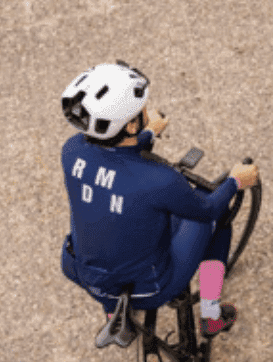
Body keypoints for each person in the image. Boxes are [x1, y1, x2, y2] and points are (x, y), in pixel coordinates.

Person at [59, 61, 259, 338]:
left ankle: (113, 314)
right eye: (140, 110)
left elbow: (111, 158)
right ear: (130, 125)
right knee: (216, 216)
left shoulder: (71, 151)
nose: (145, 110)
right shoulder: (161, 180)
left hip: (81, 271)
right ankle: (211, 315)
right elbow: (208, 210)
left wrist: (148, 134)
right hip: (149, 288)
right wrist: (236, 181)